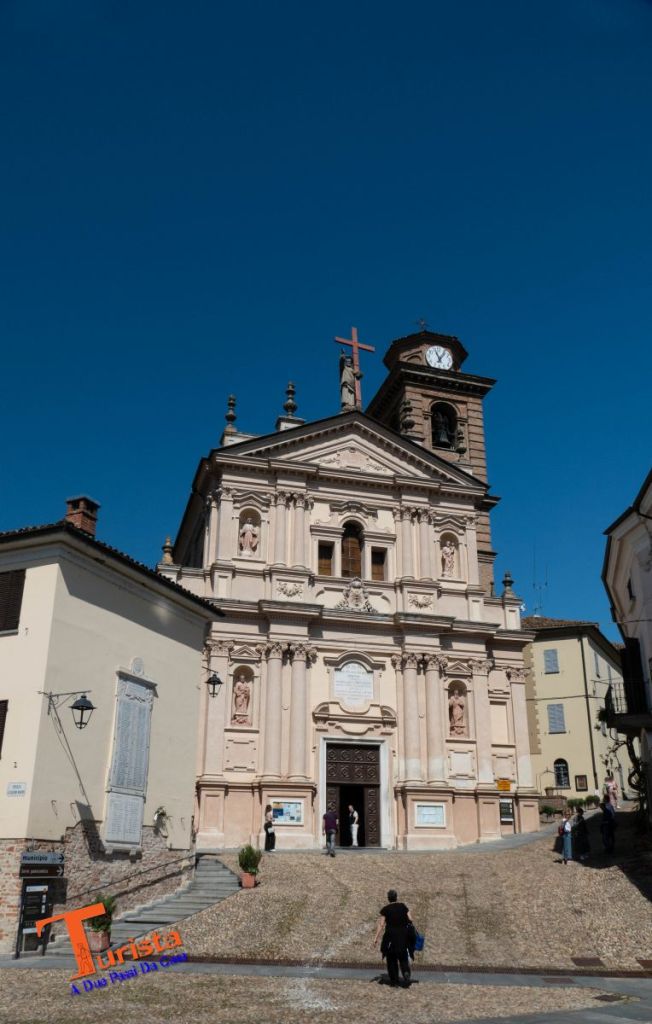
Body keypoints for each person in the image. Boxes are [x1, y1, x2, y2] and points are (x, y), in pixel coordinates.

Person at [373, 889, 413, 988]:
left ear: (388, 898)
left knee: (391, 959)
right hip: (403, 936)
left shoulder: (385, 909)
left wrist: (376, 938)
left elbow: (381, 924)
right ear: (396, 897)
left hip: (391, 937)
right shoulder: (403, 906)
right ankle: (406, 972)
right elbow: (411, 919)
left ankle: (394, 981)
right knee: (403, 957)